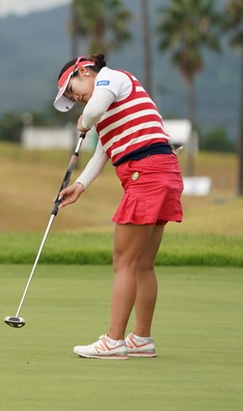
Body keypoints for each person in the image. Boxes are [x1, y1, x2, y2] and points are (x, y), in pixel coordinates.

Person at [53, 54, 183, 360]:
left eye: (74, 91)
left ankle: (113, 341)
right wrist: (80, 186)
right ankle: (141, 339)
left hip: (147, 174)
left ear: (84, 70)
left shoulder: (112, 78)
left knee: (123, 262)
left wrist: (84, 121)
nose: (78, 99)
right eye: (73, 100)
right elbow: (104, 150)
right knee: (141, 264)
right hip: (163, 173)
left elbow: (94, 110)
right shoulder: (109, 107)